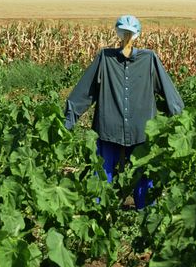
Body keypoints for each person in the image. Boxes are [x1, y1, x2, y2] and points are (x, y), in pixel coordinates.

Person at [64, 15, 183, 209]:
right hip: (111, 129)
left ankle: (142, 214)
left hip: (140, 131)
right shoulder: (105, 58)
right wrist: (66, 122)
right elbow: (84, 93)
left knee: (142, 175)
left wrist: (180, 121)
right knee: (103, 174)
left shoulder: (149, 59)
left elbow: (170, 95)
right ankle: (102, 213)